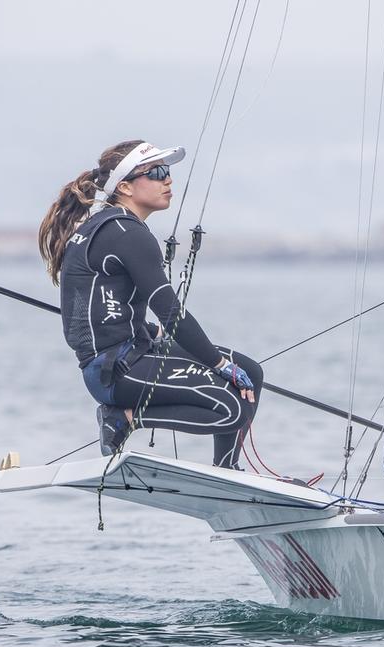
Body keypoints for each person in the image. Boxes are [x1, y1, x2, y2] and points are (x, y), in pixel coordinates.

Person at [38, 139, 263, 467]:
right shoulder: (126, 234)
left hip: (130, 349)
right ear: (126, 187)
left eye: (167, 172)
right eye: (156, 173)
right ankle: (124, 418)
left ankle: (227, 470)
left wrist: (150, 332)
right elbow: (172, 313)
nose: (167, 179)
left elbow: (108, 303)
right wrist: (218, 364)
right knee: (232, 410)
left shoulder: (111, 226)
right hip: (113, 372)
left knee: (251, 372)